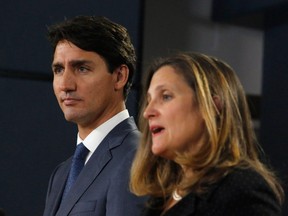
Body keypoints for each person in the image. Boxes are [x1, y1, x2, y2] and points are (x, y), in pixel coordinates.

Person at [130, 52, 284, 216]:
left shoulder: (242, 191)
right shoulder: (160, 199)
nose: (147, 112)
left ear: (211, 107)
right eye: (149, 100)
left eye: (166, 96)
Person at [43, 15, 146, 216]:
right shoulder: (62, 173)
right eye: (58, 69)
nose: (65, 85)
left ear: (119, 77)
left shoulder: (138, 158)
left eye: (82, 68)